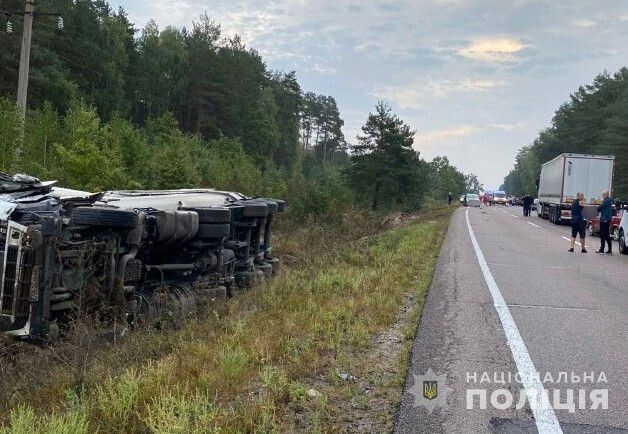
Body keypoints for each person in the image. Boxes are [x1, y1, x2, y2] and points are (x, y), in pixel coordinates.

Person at [596, 190, 614, 255]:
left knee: (603, 235)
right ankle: (608, 250)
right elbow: (601, 208)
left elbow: (599, 208)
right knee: (606, 235)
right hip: (605, 219)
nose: (602, 195)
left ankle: (603, 250)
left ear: (606, 194)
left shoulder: (607, 201)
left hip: (605, 220)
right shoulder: (608, 200)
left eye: (603, 194)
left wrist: (597, 208)